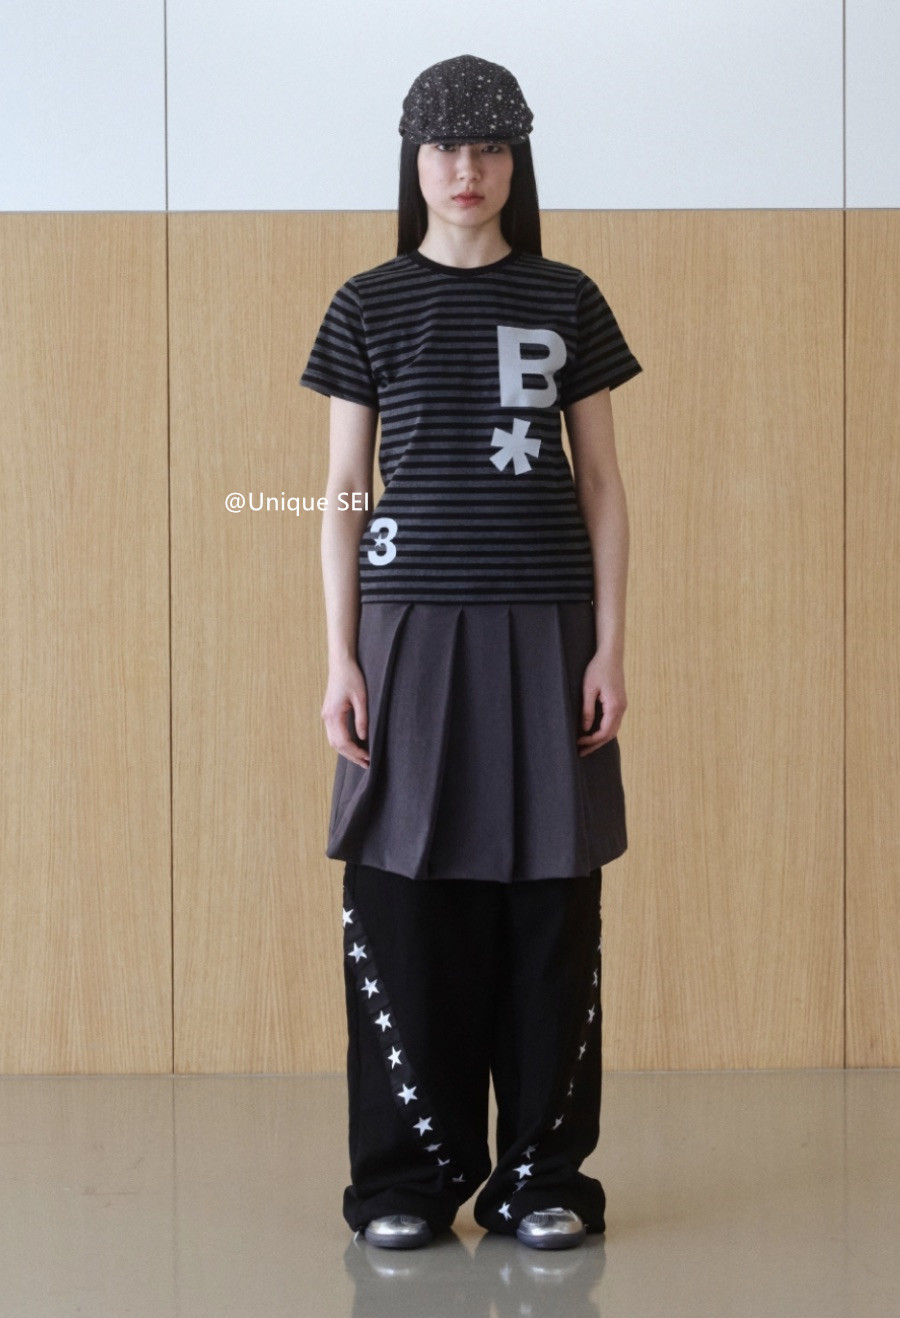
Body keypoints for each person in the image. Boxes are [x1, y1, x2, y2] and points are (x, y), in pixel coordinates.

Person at [300, 54, 642, 1252]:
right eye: (445, 147)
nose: (465, 168)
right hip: (406, 634)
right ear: (413, 160)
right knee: (404, 892)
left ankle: (541, 1176)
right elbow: (344, 491)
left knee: (549, 894)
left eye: (488, 147)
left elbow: (599, 484)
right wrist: (339, 658)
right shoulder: (366, 303)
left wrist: (608, 644)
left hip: (546, 630)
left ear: (515, 162)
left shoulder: (567, 296)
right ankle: (403, 1180)